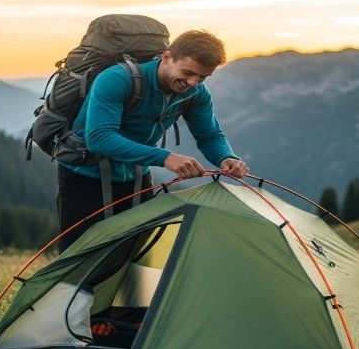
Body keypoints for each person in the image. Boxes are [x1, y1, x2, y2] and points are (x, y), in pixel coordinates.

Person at [57, 30, 248, 249]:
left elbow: (209, 135)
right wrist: (165, 157)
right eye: (187, 72)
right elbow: (99, 138)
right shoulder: (117, 79)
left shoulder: (196, 93)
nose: (193, 82)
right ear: (166, 57)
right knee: (79, 253)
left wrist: (226, 157)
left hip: (136, 176)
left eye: (202, 77)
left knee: (137, 250)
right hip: (85, 177)